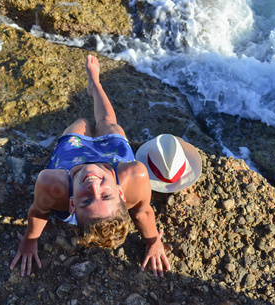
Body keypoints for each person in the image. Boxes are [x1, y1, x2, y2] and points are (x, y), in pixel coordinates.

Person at [10, 54, 171, 277]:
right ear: (121, 192)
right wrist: (153, 241)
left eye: (86, 200)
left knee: (82, 122)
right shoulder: (134, 175)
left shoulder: (53, 184)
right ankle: (94, 84)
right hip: (113, 157)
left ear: (72, 205)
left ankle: (88, 107)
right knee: (107, 122)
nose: (94, 187)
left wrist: (30, 240)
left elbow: (38, 212)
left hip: (72, 156)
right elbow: (142, 212)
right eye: (106, 196)